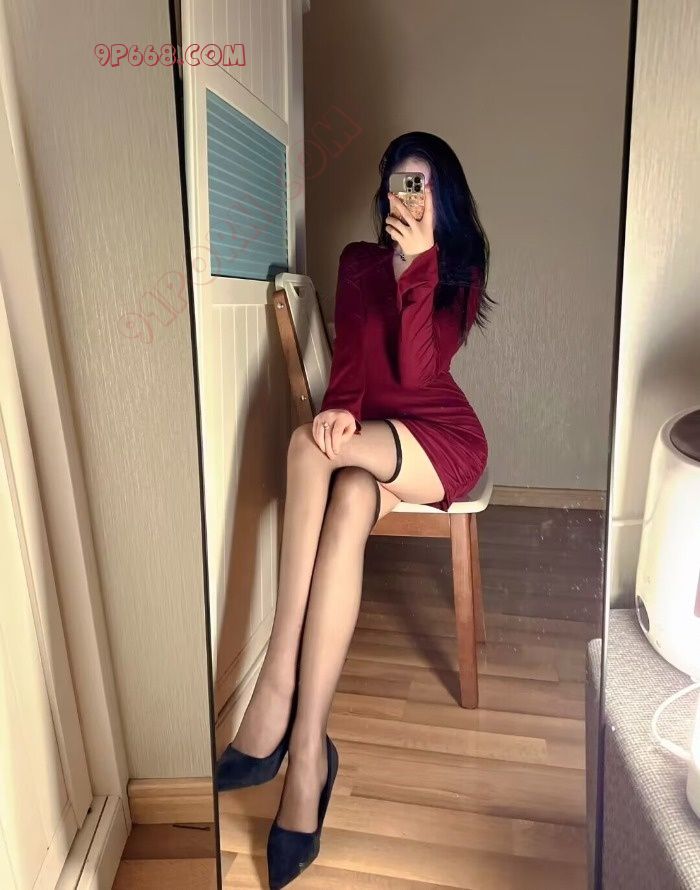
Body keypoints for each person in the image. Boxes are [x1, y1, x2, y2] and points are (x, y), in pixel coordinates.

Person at [216, 131, 492, 889]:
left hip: (438, 441)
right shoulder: (356, 262)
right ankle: (308, 752)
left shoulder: (458, 272)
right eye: (400, 182)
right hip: (376, 437)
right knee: (340, 489)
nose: (408, 197)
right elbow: (354, 368)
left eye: (423, 185)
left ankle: (276, 690)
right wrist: (339, 407)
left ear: (444, 198)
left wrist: (420, 264)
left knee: (307, 449)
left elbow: (418, 372)